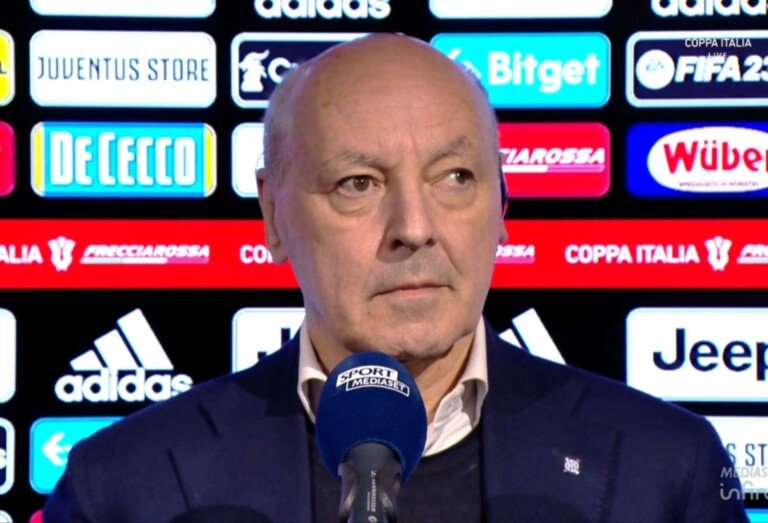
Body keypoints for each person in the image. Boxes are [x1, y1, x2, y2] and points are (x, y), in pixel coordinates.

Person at [44, 34, 747, 522]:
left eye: (456, 177)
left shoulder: (667, 468)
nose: (414, 225)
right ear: (273, 215)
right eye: (358, 183)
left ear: (502, 207)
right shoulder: (124, 486)